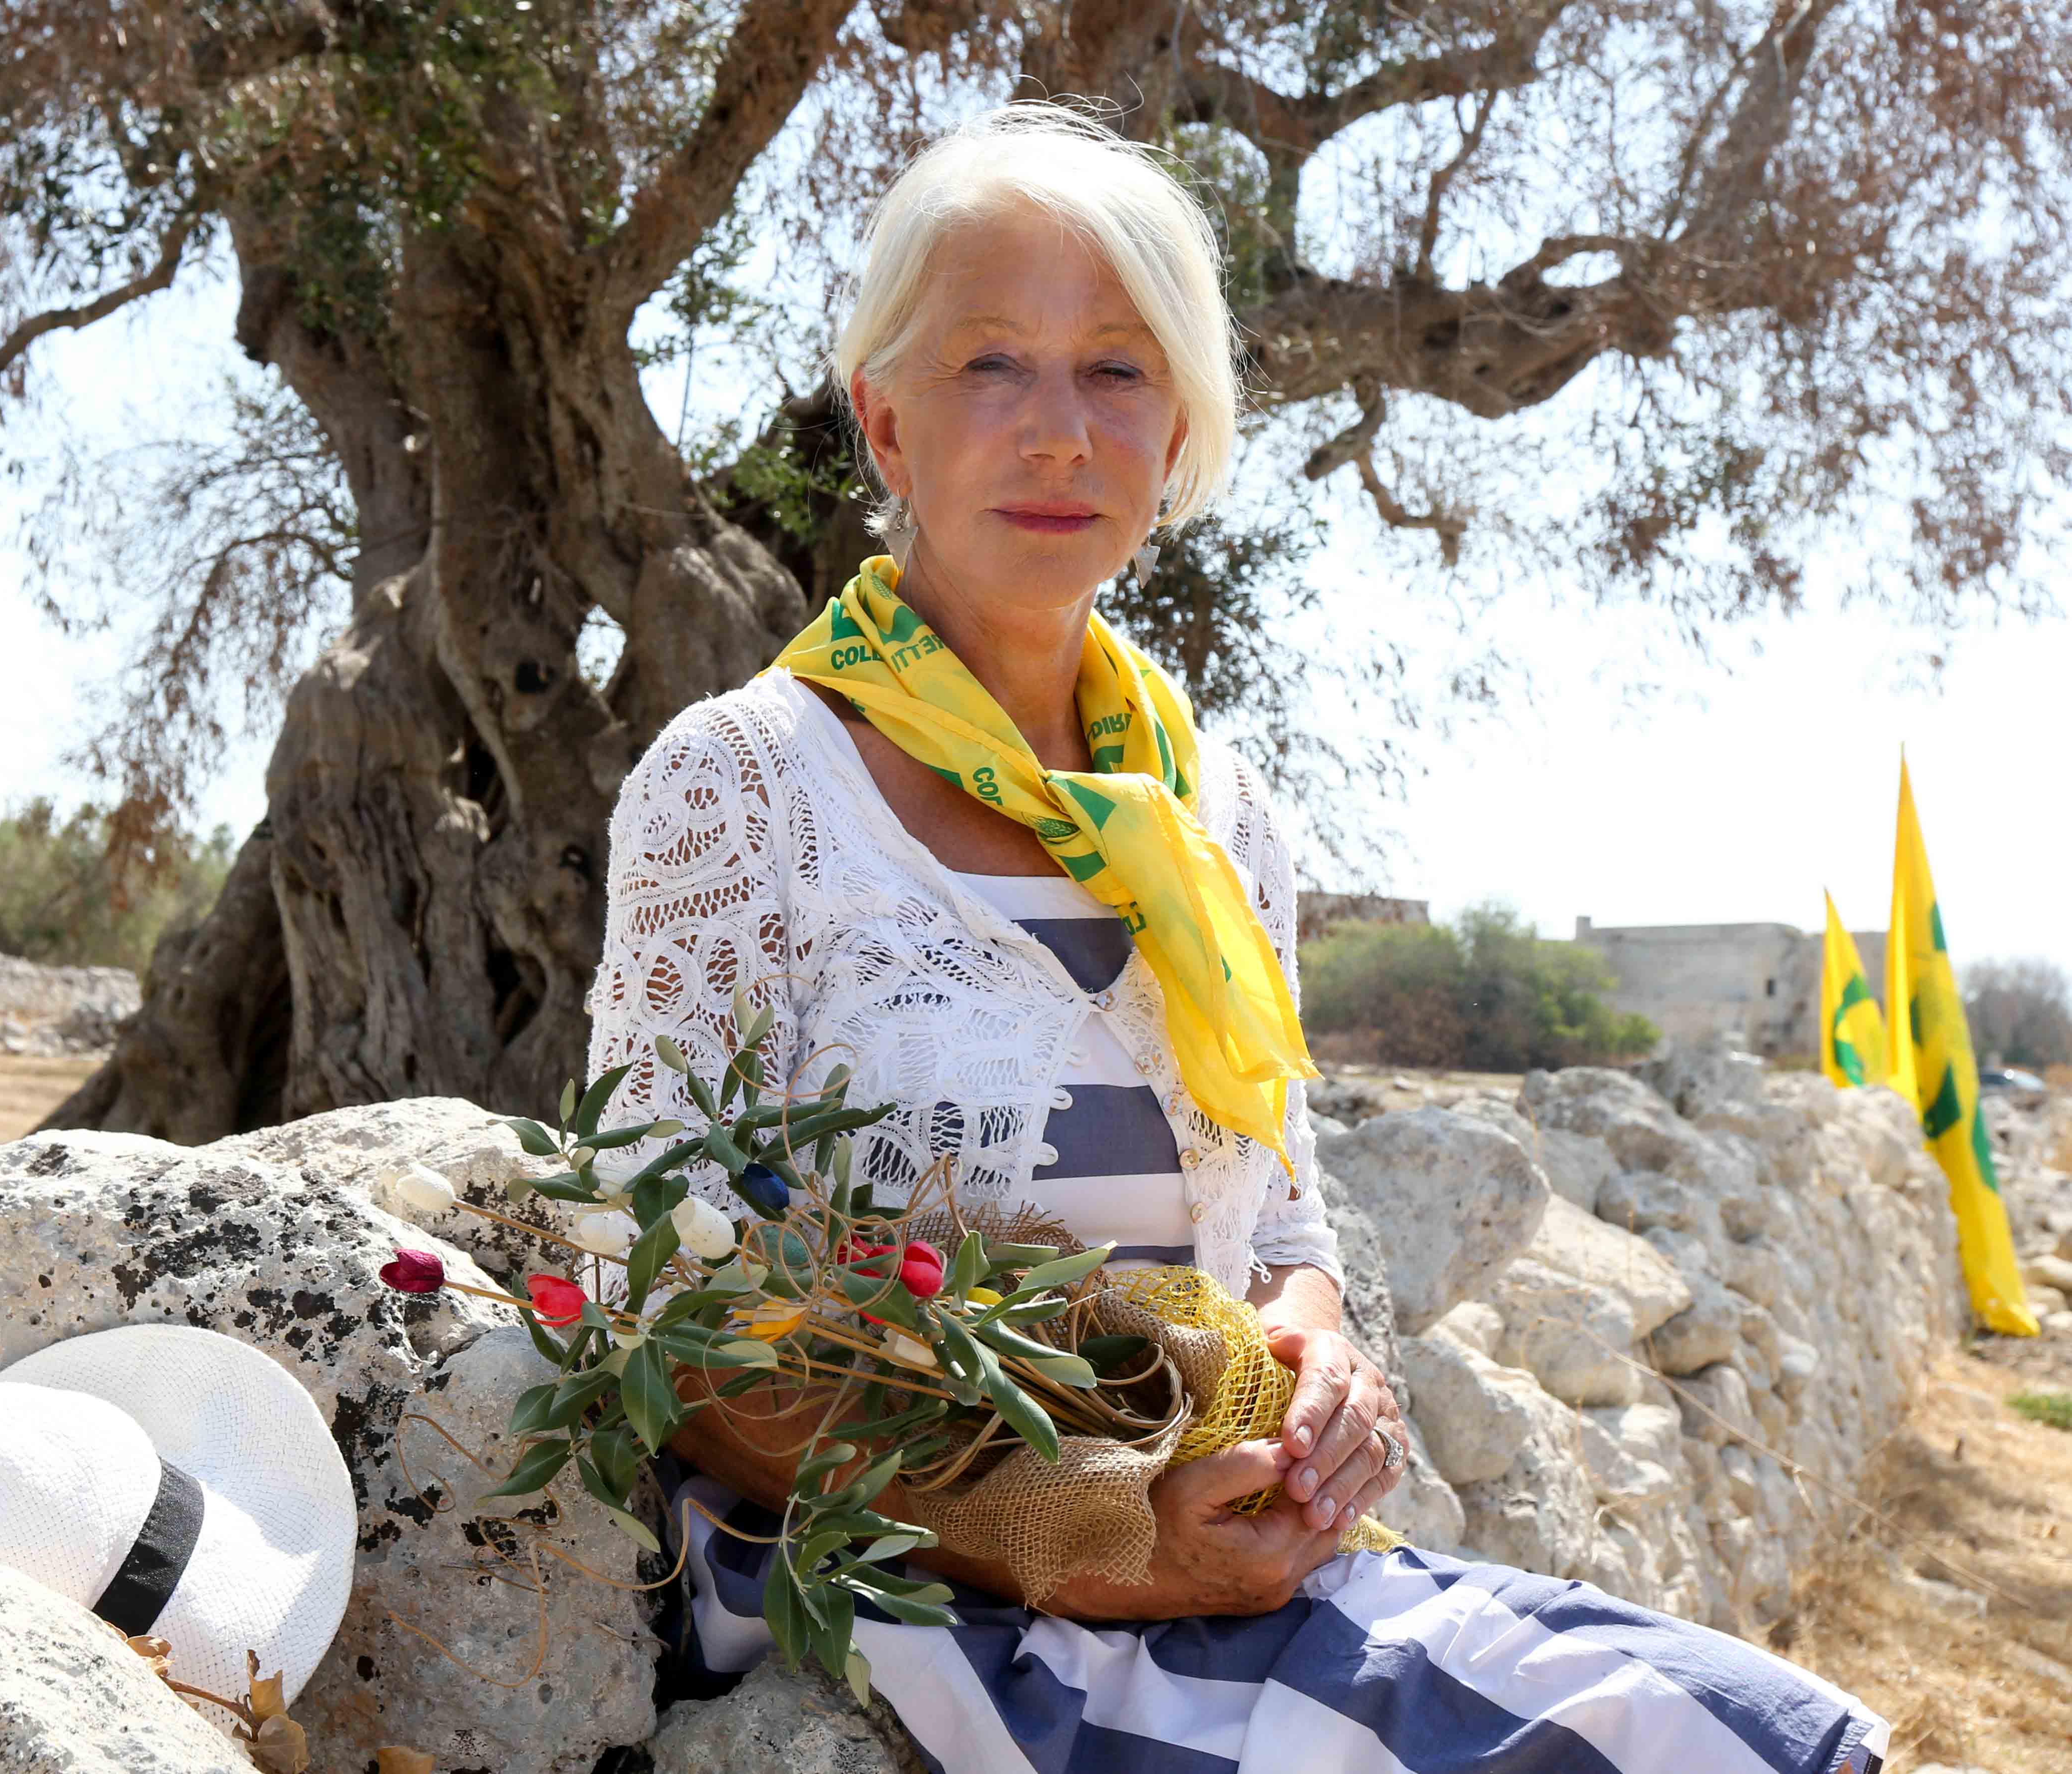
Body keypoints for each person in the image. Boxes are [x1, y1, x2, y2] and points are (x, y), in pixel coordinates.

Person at [585, 103, 1884, 1774]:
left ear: (1181, 428)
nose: (1056, 432)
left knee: (1763, 1734)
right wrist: (1087, 1527)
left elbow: (1273, 1209)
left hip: (1206, 1551)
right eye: (990, 365)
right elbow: (661, 1302)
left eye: (1115, 373)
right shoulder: (751, 787)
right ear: (885, 425)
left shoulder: (1218, 815)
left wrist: (1316, 1361)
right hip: (894, 1571)